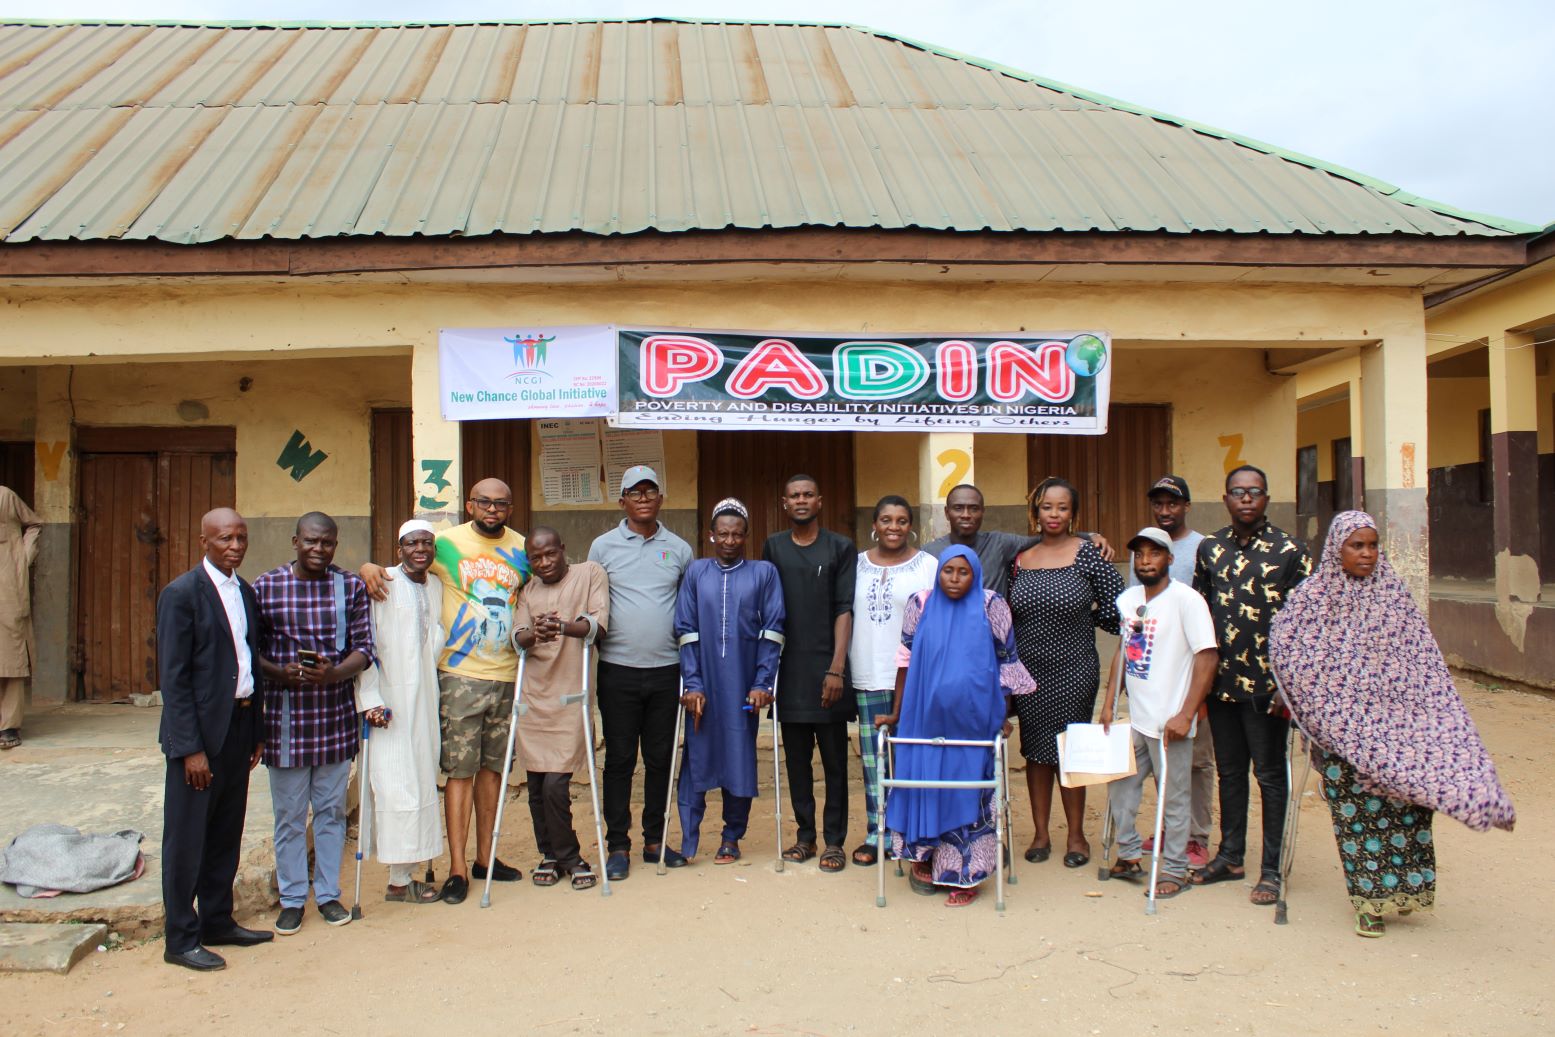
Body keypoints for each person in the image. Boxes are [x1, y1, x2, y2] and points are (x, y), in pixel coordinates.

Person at [1270, 511, 1515, 938]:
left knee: (1410, 803)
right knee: (1360, 813)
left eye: (1372, 545)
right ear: (1336, 549)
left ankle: (1404, 889)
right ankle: (1368, 902)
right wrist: (1333, 713)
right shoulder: (1313, 598)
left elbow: (1422, 660)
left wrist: (1420, 719)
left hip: (1401, 727)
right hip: (1341, 731)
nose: (1366, 554)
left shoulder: (1392, 593)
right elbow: (1290, 652)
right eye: (1356, 545)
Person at [361, 477, 531, 905]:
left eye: (501, 504)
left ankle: (485, 858)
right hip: (459, 677)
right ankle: (457, 868)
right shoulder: (445, 544)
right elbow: (404, 567)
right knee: (459, 771)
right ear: (471, 505)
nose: (493, 510)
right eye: (484, 503)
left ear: (510, 508)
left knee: (494, 771)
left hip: (507, 675)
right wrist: (367, 568)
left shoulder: (522, 549)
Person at [876, 546, 1034, 907]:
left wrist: (1003, 718)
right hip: (922, 717)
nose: (955, 579)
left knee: (967, 790)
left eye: (964, 572)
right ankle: (927, 857)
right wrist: (896, 713)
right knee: (927, 784)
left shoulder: (990, 604)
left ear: (975, 574)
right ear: (939, 573)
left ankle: (966, 873)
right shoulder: (920, 603)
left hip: (974, 721)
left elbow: (1006, 663)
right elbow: (906, 660)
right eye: (949, 571)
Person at [156, 508, 272, 971]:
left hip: (239, 728)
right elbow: (174, 678)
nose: (236, 546)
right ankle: (180, 937)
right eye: (225, 538)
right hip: (200, 738)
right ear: (203, 540)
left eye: (241, 538)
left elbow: (248, 662)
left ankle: (218, 920)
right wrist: (190, 749)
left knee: (226, 830)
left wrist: (257, 731)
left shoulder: (244, 591)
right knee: (187, 839)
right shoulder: (182, 594)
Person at [1191, 464, 1311, 906]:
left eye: (1255, 492)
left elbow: (1307, 625)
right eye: (1237, 492)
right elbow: (1199, 614)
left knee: (1270, 775)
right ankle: (1231, 856)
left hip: (1268, 688)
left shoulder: (1292, 551)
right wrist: (1197, 685)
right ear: (1225, 498)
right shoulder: (1211, 549)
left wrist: (1290, 686)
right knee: (1230, 771)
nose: (1246, 498)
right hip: (1221, 685)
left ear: (1266, 498)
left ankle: (1272, 869)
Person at [255, 512, 374, 935]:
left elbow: (364, 648)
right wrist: (279, 672)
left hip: (334, 715)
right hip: (285, 720)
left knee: (330, 813)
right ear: (295, 541)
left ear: (336, 545)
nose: (318, 549)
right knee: (288, 817)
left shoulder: (351, 587)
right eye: (311, 541)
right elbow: (252, 653)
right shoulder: (266, 587)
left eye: (326, 543)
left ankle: (327, 894)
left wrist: (335, 673)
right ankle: (291, 899)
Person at [1008, 476, 1123, 868]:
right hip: (1028, 669)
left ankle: (1076, 835)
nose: (1053, 514)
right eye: (1046, 507)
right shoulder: (1021, 558)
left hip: (1074, 666)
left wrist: (1094, 619)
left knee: (1069, 749)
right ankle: (1041, 833)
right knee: (1035, 751)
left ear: (1073, 514)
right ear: (1035, 512)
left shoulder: (1088, 554)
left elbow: (1118, 608)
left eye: (1062, 507)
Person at [587, 465, 694, 879]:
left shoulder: (680, 549)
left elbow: (687, 608)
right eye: (636, 492)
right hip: (618, 670)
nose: (644, 498)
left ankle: (655, 839)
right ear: (623, 500)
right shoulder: (603, 547)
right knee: (618, 760)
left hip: (668, 670)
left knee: (661, 758)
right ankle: (618, 845)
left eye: (651, 491)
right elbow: (593, 601)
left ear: (660, 498)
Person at [1099, 528, 1218, 899]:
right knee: (1119, 784)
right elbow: (1125, 648)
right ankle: (1130, 853)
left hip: (1171, 721)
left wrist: (1186, 713)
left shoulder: (1187, 600)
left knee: (1174, 797)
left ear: (1169, 558)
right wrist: (1108, 702)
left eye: (1155, 553)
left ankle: (1175, 868)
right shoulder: (1130, 598)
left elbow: (1207, 656)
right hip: (1136, 717)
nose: (1146, 560)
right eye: (1140, 554)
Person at [670, 499, 784, 864]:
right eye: (723, 534)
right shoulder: (696, 572)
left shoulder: (764, 573)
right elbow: (686, 629)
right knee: (696, 760)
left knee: (739, 758)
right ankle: (689, 841)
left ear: (746, 537)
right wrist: (693, 684)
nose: (730, 541)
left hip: (744, 684)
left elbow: (774, 628)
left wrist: (764, 682)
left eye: (737, 535)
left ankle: (731, 837)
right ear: (711, 536)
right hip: (702, 687)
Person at [761, 474, 856, 873]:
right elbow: (767, 609)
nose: (801, 500)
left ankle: (834, 841)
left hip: (827, 669)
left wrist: (836, 668)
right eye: (794, 496)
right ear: (785, 503)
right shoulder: (774, 547)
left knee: (835, 763)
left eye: (808, 495)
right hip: (789, 671)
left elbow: (843, 609)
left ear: (820, 500)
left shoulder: (840, 547)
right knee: (797, 763)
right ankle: (805, 837)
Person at [512, 527, 610, 891]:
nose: (544, 563)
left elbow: (598, 627)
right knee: (536, 784)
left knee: (556, 782)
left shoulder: (589, 574)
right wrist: (536, 633)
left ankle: (569, 855)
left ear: (563, 549)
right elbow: (516, 638)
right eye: (536, 558)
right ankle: (549, 854)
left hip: (570, 695)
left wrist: (565, 627)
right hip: (535, 695)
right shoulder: (529, 590)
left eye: (550, 554)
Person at [355, 520, 445, 905]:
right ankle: (396, 880)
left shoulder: (436, 586)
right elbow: (367, 644)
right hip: (388, 703)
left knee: (422, 779)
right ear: (399, 549)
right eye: (412, 543)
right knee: (395, 785)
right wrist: (370, 700)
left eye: (427, 543)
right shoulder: (382, 582)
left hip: (424, 700)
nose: (420, 549)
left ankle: (408, 874)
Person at [1128, 475, 1213, 869]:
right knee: (1162, 765)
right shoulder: (1142, 552)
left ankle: (1195, 837)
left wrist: (1199, 696)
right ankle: (1167, 830)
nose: (1166, 510)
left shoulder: (1203, 549)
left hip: (1192, 674)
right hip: (1154, 679)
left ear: (1186, 506)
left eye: (1173, 504)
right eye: (1159, 504)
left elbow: (1207, 627)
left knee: (1194, 761)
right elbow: (1137, 621)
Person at [847, 494, 936, 866]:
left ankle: (912, 833)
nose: (894, 527)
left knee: (913, 758)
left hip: (912, 679)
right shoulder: (856, 565)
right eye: (886, 520)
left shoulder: (928, 565)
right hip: (867, 672)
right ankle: (876, 832)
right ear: (874, 524)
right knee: (874, 761)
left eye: (901, 520)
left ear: (910, 524)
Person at [923, 483, 1112, 599]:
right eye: (958, 508)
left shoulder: (999, 543)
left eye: (973, 508)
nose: (966, 515)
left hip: (994, 647)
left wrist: (1088, 536)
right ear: (947, 513)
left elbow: (1045, 537)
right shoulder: (929, 553)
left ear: (983, 512)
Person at [0, 485, 41, 750]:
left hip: (8, 582)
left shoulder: (5, 496)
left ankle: (8, 725)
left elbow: (35, 523)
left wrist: (23, 558)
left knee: (12, 652)